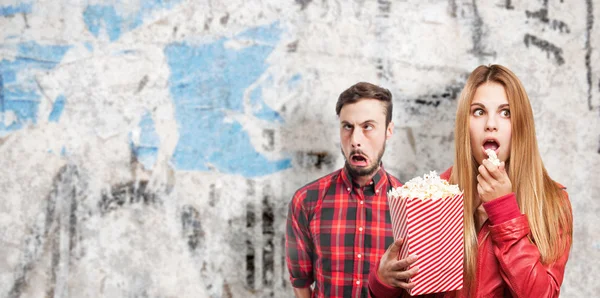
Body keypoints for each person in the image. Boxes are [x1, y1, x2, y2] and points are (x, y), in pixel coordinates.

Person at [368, 64, 573, 297]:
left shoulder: (553, 201)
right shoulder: (435, 196)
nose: (491, 124)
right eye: (479, 111)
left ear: (521, 125)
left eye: (506, 112)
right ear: (465, 124)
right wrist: (383, 284)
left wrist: (505, 211)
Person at [286, 82, 403, 297]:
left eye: (368, 126)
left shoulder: (409, 205)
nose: (356, 141)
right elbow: (301, 281)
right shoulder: (306, 200)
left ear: (388, 131)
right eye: (348, 126)